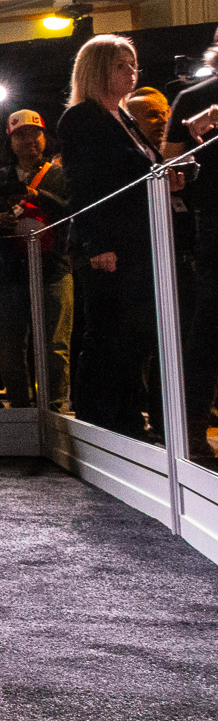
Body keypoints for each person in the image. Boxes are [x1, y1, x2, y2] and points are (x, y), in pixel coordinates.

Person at [58, 35, 170, 438]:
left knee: (133, 334)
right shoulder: (83, 117)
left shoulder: (124, 117)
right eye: (121, 64)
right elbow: (84, 186)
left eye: (133, 63)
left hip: (138, 241)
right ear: (97, 69)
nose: (131, 71)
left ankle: (125, 417)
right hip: (109, 244)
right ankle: (102, 421)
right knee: (108, 333)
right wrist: (98, 244)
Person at [0, 110, 72, 411]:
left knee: (55, 345)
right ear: (10, 141)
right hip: (10, 272)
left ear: (44, 137)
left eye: (34, 134)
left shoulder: (61, 175)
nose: (29, 140)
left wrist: (39, 196)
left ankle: (55, 407)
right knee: (11, 346)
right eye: (20, 135)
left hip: (53, 269)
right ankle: (21, 409)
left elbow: (72, 213)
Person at [161, 34, 218, 456]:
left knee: (208, 329)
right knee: (207, 328)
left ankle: (194, 429)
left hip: (212, 219)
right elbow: (171, 167)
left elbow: (171, 165)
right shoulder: (194, 97)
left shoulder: (197, 97)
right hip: (213, 221)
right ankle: (192, 428)